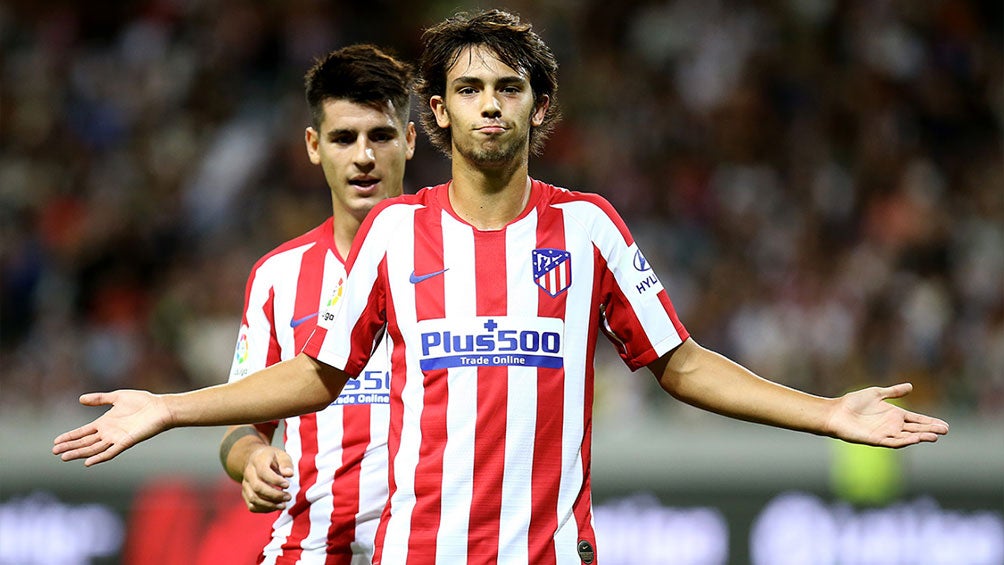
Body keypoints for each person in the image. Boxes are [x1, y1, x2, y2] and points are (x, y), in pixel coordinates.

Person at [53, 9, 949, 564]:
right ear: (436, 113)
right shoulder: (399, 233)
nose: (490, 103)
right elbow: (319, 374)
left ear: (538, 107)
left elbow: (680, 363)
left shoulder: (590, 226)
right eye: (469, 87)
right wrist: (171, 408)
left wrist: (827, 412)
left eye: (509, 88)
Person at [209, 44, 416, 564]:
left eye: (382, 136)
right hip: (310, 548)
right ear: (313, 145)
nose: (364, 157)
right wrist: (253, 459)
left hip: (430, 548)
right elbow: (240, 426)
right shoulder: (277, 277)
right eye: (344, 138)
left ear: (410, 141)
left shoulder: (461, 261)